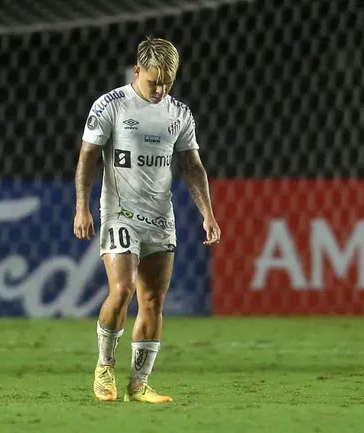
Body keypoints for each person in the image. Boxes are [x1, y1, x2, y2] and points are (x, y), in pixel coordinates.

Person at [73, 36, 221, 403]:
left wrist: (208, 214)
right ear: (137, 71)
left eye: (168, 82)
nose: (161, 89)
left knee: (152, 299)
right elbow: (87, 158)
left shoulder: (179, 114)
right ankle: (104, 368)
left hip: (160, 218)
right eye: (154, 81)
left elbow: (192, 166)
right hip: (119, 213)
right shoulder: (111, 106)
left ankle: (139, 384)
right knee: (122, 290)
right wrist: (82, 206)